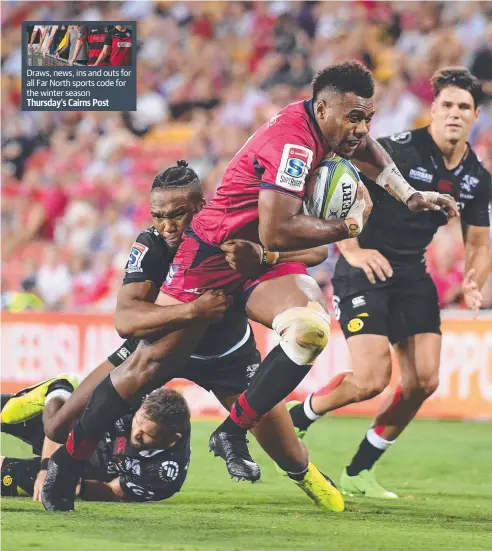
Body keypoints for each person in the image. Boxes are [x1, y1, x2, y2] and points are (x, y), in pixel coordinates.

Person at [42, 60, 458, 512]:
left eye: (367, 116)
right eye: (352, 117)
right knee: (147, 365)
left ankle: (232, 430)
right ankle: (67, 465)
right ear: (321, 110)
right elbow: (279, 229)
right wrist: (348, 225)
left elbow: (365, 151)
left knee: (308, 331)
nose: (360, 127)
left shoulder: (329, 127)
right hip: (214, 254)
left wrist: (409, 194)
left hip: (262, 258)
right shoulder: (293, 146)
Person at [3, 161, 339, 511]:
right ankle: (57, 388)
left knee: (289, 455)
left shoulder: (233, 228)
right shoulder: (150, 245)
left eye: (177, 214)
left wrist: (263, 255)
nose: (166, 226)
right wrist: (192, 311)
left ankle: (308, 475)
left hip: (227, 361)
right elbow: (126, 319)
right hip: (155, 350)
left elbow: (317, 250)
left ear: (201, 206)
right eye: (157, 216)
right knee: (58, 427)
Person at [288, 67, 491, 498]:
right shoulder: (395, 150)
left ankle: (360, 471)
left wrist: (475, 282)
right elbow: (339, 191)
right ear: (433, 109)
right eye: (447, 105)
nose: (454, 113)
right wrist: (355, 250)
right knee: (370, 379)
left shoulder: (478, 177)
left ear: (476, 115)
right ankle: (297, 418)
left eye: (464, 107)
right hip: (363, 267)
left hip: (412, 273)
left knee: (424, 381)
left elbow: (478, 240)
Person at [2, 388, 191, 503]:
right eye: (137, 422)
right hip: (76, 426)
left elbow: (113, 491)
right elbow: (69, 412)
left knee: (8, 474)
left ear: (172, 439)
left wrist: (78, 486)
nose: (136, 434)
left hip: (84, 468)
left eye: (146, 435)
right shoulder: (132, 394)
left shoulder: (163, 473)